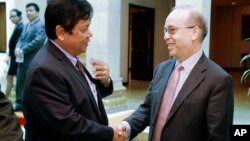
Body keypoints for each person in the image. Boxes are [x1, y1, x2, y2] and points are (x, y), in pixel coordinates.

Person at [119, 5, 234, 141]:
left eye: (172, 30)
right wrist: (125, 127)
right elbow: (148, 109)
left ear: (195, 32)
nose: (166, 36)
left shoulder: (218, 80)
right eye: (165, 31)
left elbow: (218, 136)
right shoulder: (161, 69)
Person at [22, 0, 126, 141]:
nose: (90, 34)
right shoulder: (45, 70)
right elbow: (68, 125)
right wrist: (110, 134)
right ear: (61, 32)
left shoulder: (67, 57)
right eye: (84, 30)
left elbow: (81, 98)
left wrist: (105, 82)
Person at [14, 2, 46, 111]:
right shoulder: (26, 25)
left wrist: (23, 49)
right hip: (21, 59)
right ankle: (18, 103)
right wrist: (17, 48)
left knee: (30, 84)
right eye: (27, 11)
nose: (28, 13)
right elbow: (21, 39)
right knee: (19, 83)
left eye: (31, 10)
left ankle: (29, 106)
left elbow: (38, 41)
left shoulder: (41, 25)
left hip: (32, 59)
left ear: (37, 12)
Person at [5, 9, 24, 97]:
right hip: (14, 57)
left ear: (19, 16)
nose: (11, 18)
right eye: (10, 17)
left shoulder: (21, 27)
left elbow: (17, 44)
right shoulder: (18, 26)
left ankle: (5, 97)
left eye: (13, 16)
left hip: (17, 57)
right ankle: (7, 96)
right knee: (11, 77)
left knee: (10, 77)